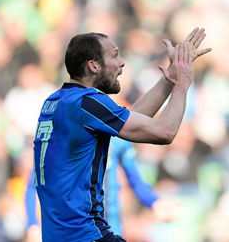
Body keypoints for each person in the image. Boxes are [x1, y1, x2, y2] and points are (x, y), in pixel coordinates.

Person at [32, 27, 211, 242]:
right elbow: (165, 131)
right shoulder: (87, 102)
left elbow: (133, 119)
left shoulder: (57, 101)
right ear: (94, 66)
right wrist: (183, 83)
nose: (122, 63)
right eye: (115, 55)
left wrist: (170, 77)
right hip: (86, 234)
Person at [24, 137, 179, 242]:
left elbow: (135, 180)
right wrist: (33, 224)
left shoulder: (119, 138)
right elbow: (34, 183)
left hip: (111, 226)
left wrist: (155, 202)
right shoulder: (65, 132)